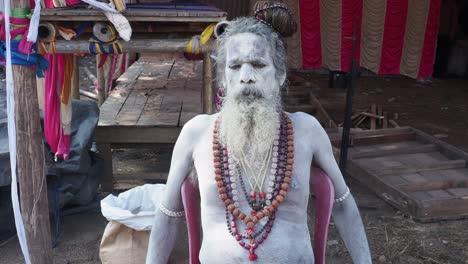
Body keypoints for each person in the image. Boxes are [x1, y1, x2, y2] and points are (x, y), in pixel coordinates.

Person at [146, 2, 371, 263]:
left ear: (281, 75)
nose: (246, 77)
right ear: (223, 79)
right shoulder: (196, 132)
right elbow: (168, 212)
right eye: (235, 66)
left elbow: (343, 205)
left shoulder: (306, 130)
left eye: (258, 64)